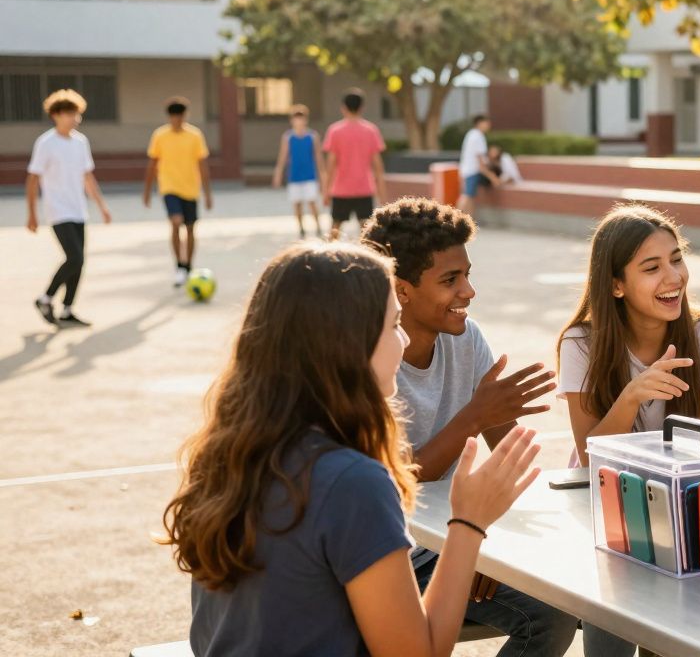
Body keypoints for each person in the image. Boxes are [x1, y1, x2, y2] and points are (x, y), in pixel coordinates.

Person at [164, 242, 545, 656]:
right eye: (393, 325)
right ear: (347, 345)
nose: (402, 342)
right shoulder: (351, 481)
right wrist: (469, 523)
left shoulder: (230, 452)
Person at [360, 197, 578, 657]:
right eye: (450, 280)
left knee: (578, 594)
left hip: (458, 536)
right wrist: (474, 417)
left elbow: (508, 464)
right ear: (401, 291)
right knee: (549, 617)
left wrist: (490, 541)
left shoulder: (467, 338)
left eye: (468, 275)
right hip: (391, 557)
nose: (469, 291)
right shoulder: (371, 362)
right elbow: (395, 490)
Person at [557, 204, 700, 657]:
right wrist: (631, 396)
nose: (674, 276)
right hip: (605, 506)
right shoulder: (580, 343)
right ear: (616, 284)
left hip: (684, 505)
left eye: (676, 259)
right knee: (610, 643)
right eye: (652, 267)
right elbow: (590, 455)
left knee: (673, 642)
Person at [26, 89, 112, 328]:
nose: (74, 118)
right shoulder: (46, 143)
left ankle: (67, 309)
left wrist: (102, 207)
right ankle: (46, 298)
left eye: (77, 114)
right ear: (56, 115)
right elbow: (32, 179)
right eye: (69, 114)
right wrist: (32, 213)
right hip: (57, 210)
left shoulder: (80, 142)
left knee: (79, 262)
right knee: (74, 257)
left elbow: (88, 177)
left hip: (78, 210)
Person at [143, 97, 212, 287]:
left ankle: (188, 266)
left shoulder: (195, 135)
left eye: (180, 116)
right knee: (176, 222)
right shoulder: (160, 135)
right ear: (169, 117)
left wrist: (208, 193)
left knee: (190, 229)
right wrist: (147, 191)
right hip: (169, 187)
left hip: (190, 189)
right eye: (173, 117)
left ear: (185, 116)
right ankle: (179, 266)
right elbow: (152, 164)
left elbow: (202, 165)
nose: (177, 120)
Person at [322, 88, 387, 241]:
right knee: (367, 232)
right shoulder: (371, 130)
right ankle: (370, 260)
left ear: (343, 107)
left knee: (335, 229)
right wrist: (382, 194)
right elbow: (378, 166)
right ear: (362, 107)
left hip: (340, 190)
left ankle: (328, 259)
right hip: (364, 189)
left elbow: (330, 165)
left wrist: (326, 191)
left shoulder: (335, 131)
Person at [271, 104, 325, 239]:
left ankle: (318, 226)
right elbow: (283, 157)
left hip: (309, 176)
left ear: (305, 120)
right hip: (294, 176)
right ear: (292, 120)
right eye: (296, 118)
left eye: (301, 118)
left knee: (312, 202)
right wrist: (278, 173)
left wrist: (323, 177)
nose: (299, 121)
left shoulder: (312, 136)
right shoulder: (288, 137)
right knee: (297, 204)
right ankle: (301, 229)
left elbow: (318, 157)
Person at [456, 115, 499, 217]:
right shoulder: (478, 136)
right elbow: (480, 162)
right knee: (467, 196)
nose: (489, 125)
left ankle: (469, 222)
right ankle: (454, 219)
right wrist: (492, 176)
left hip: (465, 170)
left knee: (470, 197)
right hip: (472, 171)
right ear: (479, 123)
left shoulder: (470, 134)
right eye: (486, 123)